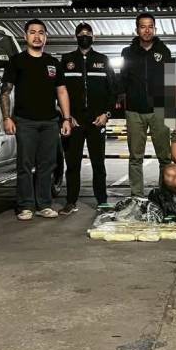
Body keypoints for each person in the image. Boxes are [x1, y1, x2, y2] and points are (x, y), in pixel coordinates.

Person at [1, 19, 73, 220]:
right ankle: (25, 206)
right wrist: (7, 118)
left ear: (46, 37)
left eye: (41, 32)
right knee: (24, 166)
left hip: (50, 123)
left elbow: (62, 91)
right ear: (25, 36)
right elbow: (5, 91)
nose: (37, 36)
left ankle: (44, 204)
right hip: (25, 122)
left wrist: (66, 119)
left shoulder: (53, 63)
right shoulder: (17, 61)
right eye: (32, 32)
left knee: (47, 165)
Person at [58, 23, 116, 214]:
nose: (85, 36)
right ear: (75, 37)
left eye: (88, 33)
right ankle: (70, 201)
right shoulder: (66, 60)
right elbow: (58, 91)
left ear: (94, 37)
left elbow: (113, 91)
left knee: (98, 164)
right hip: (74, 122)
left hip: (96, 121)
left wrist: (106, 114)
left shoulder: (103, 60)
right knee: (72, 164)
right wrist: (66, 117)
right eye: (81, 34)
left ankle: (102, 201)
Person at [119, 13, 174, 197]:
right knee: (135, 157)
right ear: (137, 30)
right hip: (134, 112)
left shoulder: (164, 51)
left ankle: (165, 194)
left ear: (155, 29)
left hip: (159, 110)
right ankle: (137, 196)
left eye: (150, 26)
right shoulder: (127, 53)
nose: (147, 30)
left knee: (165, 157)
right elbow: (123, 80)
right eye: (143, 26)